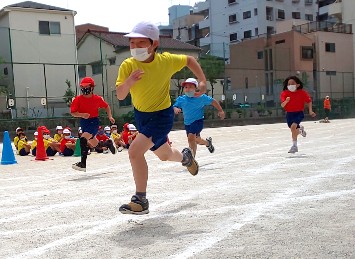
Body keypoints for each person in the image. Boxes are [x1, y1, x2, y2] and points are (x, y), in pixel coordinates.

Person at [115, 21, 207, 214]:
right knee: (164, 155)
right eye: (132, 43)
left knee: (134, 151)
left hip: (162, 116)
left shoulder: (165, 61)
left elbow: (190, 60)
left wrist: (202, 80)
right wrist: (130, 81)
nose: (135, 47)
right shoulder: (128, 65)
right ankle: (186, 158)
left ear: (154, 43)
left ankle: (140, 200)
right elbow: (120, 95)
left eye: (141, 43)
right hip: (141, 116)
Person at [70, 76, 115, 171]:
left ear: (92, 88)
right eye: (82, 87)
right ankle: (108, 143)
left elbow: (106, 106)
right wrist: (82, 115)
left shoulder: (97, 99)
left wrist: (110, 116)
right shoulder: (78, 99)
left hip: (93, 121)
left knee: (83, 139)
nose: (84, 89)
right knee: (96, 145)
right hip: (84, 122)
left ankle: (83, 163)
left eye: (86, 87)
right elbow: (73, 113)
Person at [173, 78, 225, 157]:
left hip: (198, 121)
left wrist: (220, 110)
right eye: (186, 87)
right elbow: (175, 106)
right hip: (187, 123)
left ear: (195, 88)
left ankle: (191, 159)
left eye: (190, 87)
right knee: (196, 140)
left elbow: (213, 101)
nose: (187, 89)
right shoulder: (181, 99)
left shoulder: (201, 97)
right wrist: (175, 108)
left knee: (191, 138)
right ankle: (208, 143)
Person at [280, 75, 316, 153]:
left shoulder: (302, 92)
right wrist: (286, 101)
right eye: (288, 84)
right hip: (289, 114)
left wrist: (310, 111)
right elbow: (282, 105)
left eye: (292, 83)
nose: (290, 85)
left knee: (293, 127)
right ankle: (300, 130)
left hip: (299, 113)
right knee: (293, 130)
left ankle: (294, 146)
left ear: (298, 85)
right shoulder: (284, 93)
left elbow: (309, 101)